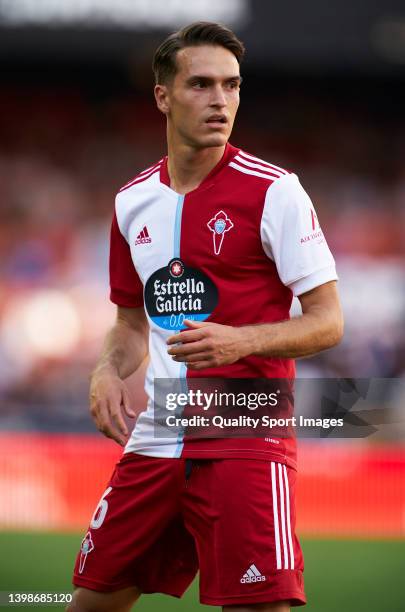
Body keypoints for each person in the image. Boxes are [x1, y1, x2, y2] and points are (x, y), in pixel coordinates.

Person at [68, 21, 343, 612]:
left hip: (245, 430)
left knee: (257, 606)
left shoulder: (277, 192)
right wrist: (105, 373)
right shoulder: (131, 200)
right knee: (91, 601)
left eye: (232, 85)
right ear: (163, 96)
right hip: (156, 436)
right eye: (201, 84)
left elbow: (328, 321)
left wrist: (240, 342)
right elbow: (129, 324)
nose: (220, 101)